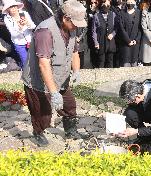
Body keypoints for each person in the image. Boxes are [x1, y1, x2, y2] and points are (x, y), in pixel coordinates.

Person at [21, 0, 88, 147]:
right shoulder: (45, 31)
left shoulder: (71, 27)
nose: (77, 26)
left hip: (61, 76)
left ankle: (70, 130)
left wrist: (76, 70)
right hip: (38, 81)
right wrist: (54, 93)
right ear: (65, 18)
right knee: (43, 114)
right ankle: (38, 132)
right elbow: (43, 64)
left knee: (70, 106)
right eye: (75, 23)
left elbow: (74, 51)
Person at [3, 0, 36, 70]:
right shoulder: (7, 19)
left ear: (17, 6)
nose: (13, 9)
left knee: (35, 60)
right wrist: (20, 28)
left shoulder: (24, 13)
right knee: (25, 62)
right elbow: (13, 34)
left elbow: (33, 26)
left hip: (30, 40)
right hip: (19, 43)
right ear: (7, 9)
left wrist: (27, 23)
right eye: (11, 7)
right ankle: (28, 77)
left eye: (14, 6)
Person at [92, 0, 118, 68]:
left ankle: (110, 77)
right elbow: (94, 31)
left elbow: (116, 27)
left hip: (111, 42)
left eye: (108, 5)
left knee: (110, 61)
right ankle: (101, 78)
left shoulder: (113, 14)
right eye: (104, 5)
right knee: (101, 61)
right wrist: (96, 43)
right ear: (101, 5)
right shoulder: (96, 15)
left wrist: (113, 34)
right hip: (101, 42)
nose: (106, 7)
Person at [118, 0, 142, 67]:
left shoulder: (139, 13)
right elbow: (121, 28)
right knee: (126, 64)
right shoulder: (121, 13)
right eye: (129, 2)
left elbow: (140, 28)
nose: (130, 4)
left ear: (135, 2)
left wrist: (136, 40)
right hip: (125, 43)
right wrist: (128, 41)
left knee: (134, 64)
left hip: (135, 43)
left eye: (132, 2)